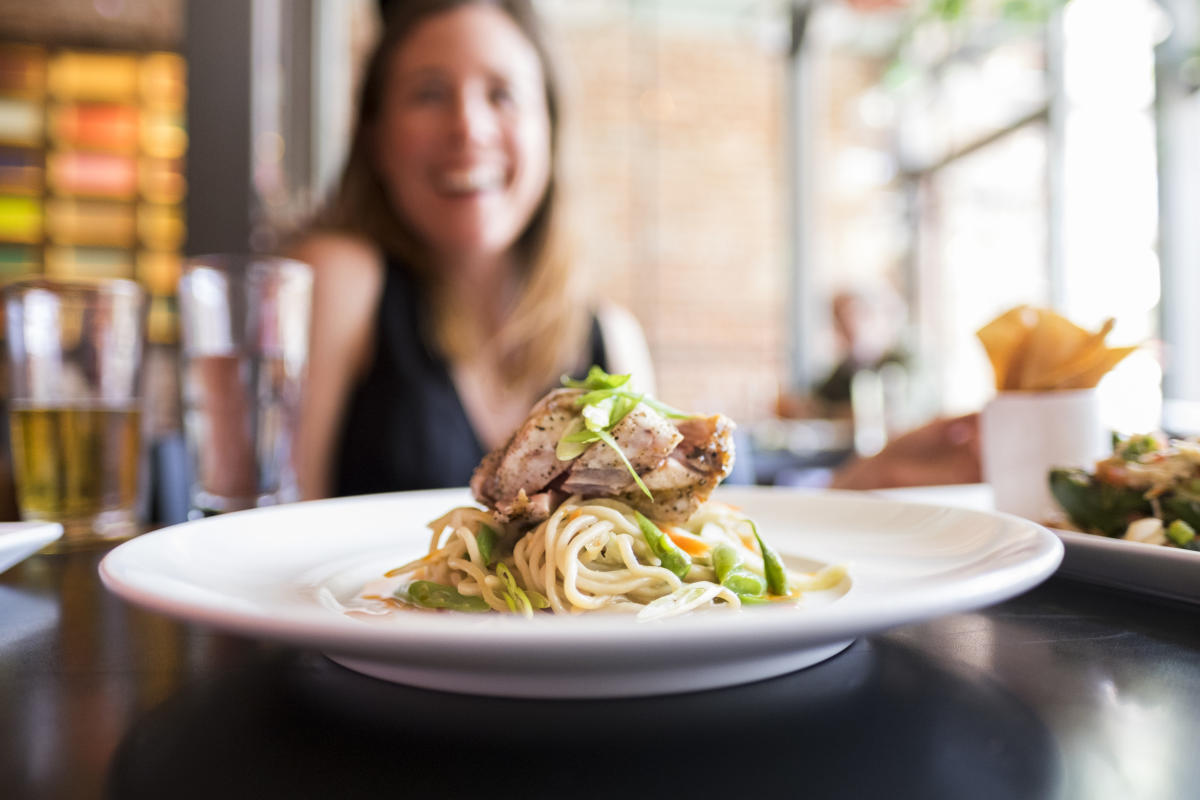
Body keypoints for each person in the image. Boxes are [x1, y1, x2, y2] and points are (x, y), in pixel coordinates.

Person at [291, 0, 652, 500]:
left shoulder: (613, 341)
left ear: (549, 129)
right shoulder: (338, 281)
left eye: (502, 94)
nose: (468, 127)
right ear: (375, 136)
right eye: (429, 94)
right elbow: (265, 541)